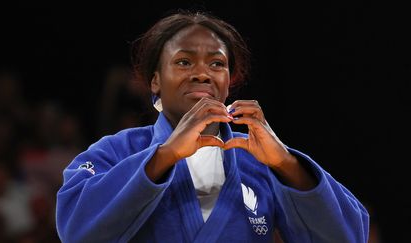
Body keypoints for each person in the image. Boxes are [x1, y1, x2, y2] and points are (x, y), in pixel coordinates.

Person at [56, 10, 369, 243]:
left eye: (217, 63)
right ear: (155, 80)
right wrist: (165, 156)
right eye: (184, 62)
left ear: (228, 82)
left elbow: (349, 236)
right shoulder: (115, 152)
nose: (202, 73)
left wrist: (285, 162)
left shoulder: (261, 158)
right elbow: (76, 231)